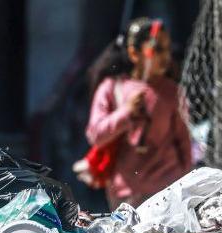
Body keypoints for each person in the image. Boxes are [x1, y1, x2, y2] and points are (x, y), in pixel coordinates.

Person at [82, 18, 193, 209]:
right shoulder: (112, 88)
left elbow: (184, 143)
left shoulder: (172, 92)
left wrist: (185, 180)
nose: (166, 56)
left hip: (169, 193)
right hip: (126, 196)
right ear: (134, 53)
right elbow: (95, 134)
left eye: (167, 49)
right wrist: (126, 113)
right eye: (157, 49)